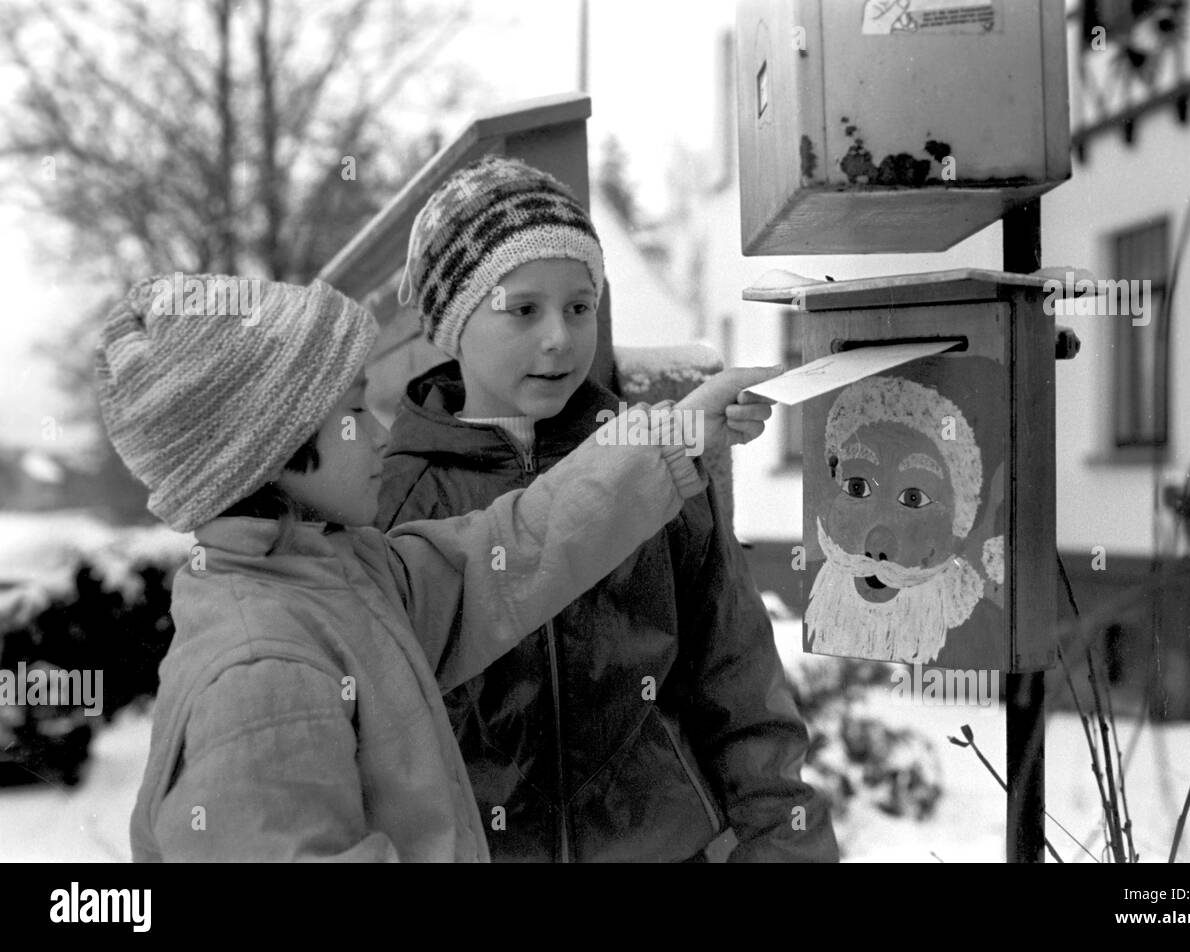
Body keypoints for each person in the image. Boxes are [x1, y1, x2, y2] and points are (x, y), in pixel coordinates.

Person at [95, 271, 774, 861]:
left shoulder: (343, 577)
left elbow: (509, 555)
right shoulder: (263, 675)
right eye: (355, 410)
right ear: (266, 447)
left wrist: (671, 442)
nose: (382, 433)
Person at [380, 155, 839, 862]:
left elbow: (738, 680)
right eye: (522, 310)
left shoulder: (664, 468)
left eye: (579, 304)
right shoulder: (399, 498)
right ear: (451, 323)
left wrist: (784, 842)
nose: (559, 337)